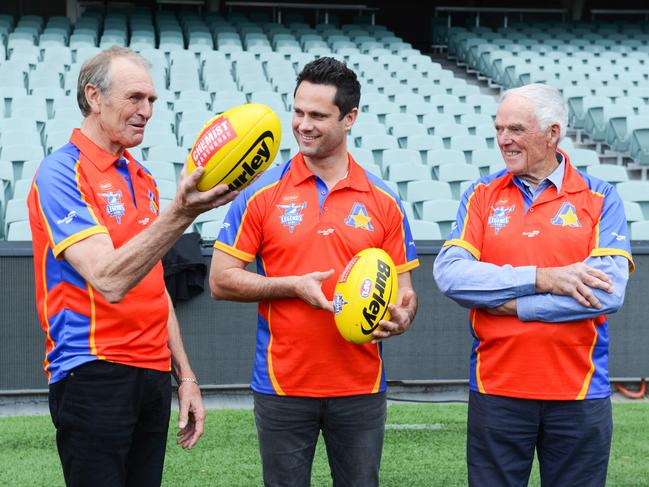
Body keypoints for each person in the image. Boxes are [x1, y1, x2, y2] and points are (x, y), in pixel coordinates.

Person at [27, 46, 236, 486]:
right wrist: (182, 213)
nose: (147, 111)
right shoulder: (61, 173)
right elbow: (109, 279)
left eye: (152, 101)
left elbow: (154, 288)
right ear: (94, 97)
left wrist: (186, 377)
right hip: (93, 372)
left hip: (153, 376)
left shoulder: (140, 178)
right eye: (135, 98)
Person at [209, 57, 419, 487]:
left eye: (318, 115)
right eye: (298, 111)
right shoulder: (259, 193)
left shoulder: (384, 199)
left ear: (350, 118)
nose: (303, 125)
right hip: (282, 387)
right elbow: (220, 279)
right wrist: (291, 287)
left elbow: (405, 293)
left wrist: (401, 315)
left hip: (361, 387)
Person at [433, 83, 633, 487]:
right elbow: (451, 274)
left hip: (580, 394)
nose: (504, 139)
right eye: (499, 128)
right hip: (497, 392)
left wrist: (514, 306)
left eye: (516, 129)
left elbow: (607, 290)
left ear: (552, 133)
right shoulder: (480, 194)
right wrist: (543, 278)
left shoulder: (600, 197)